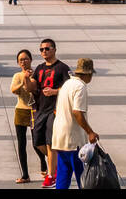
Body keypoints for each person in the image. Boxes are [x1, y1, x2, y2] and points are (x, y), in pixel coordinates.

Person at [51, 58, 98, 189]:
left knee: (63, 174)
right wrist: (90, 132)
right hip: (73, 140)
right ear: (87, 74)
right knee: (82, 176)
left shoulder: (67, 84)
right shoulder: (80, 86)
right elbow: (77, 112)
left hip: (60, 137)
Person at [31, 38, 71, 188]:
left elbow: (70, 88)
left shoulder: (62, 68)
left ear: (54, 49)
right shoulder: (39, 68)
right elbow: (32, 87)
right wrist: (26, 77)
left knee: (50, 142)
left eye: (47, 49)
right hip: (40, 108)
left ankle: (51, 175)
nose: (44, 52)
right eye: (41, 49)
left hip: (55, 109)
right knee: (37, 141)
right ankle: (59, 162)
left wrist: (55, 91)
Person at [11, 49, 39, 183]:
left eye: (26, 59)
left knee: (37, 142)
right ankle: (25, 175)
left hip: (34, 111)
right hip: (21, 111)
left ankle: (44, 165)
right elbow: (13, 90)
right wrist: (23, 80)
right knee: (21, 144)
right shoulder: (17, 76)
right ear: (18, 63)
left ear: (31, 60)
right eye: (21, 60)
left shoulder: (37, 73)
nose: (23, 62)